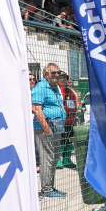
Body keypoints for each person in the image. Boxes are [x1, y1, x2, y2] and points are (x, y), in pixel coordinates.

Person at [32, 63, 67, 197]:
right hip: (45, 128)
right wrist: (46, 128)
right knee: (47, 158)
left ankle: (51, 187)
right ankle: (46, 189)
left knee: (54, 158)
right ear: (45, 74)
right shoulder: (41, 87)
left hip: (56, 127)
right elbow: (36, 109)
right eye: (53, 73)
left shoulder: (55, 87)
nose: (57, 75)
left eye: (58, 72)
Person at [58, 73, 81, 169]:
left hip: (71, 121)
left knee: (69, 141)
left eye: (65, 78)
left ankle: (67, 159)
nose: (63, 80)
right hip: (60, 121)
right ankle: (58, 160)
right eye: (61, 78)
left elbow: (78, 103)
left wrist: (80, 109)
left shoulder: (72, 91)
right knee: (60, 141)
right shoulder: (56, 90)